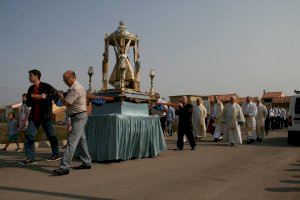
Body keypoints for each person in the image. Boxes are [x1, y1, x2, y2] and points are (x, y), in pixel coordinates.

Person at [53, 70, 92, 176]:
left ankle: (64, 167)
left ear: (72, 77)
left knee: (71, 141)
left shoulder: (76, 88)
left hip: (79, 117)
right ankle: (87, 162)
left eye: (65, 79)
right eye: (64, 79)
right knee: (81, 141)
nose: (64, 81)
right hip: (77, 117)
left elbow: (66, 103)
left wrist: (60, 95)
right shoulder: (72, 88)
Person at [19, 69, 60, 165]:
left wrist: (45, 96)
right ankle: (31, 158)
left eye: (31, 75)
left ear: (37, 76)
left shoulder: (46, 86)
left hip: (46, 116)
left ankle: (56, 154)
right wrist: (29, 99)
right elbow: (29, 103)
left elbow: (56, 95)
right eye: (29, 75)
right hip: (34, 117)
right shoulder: (30, 88)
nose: (29, 77)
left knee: (51, 135)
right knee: (29, 135)